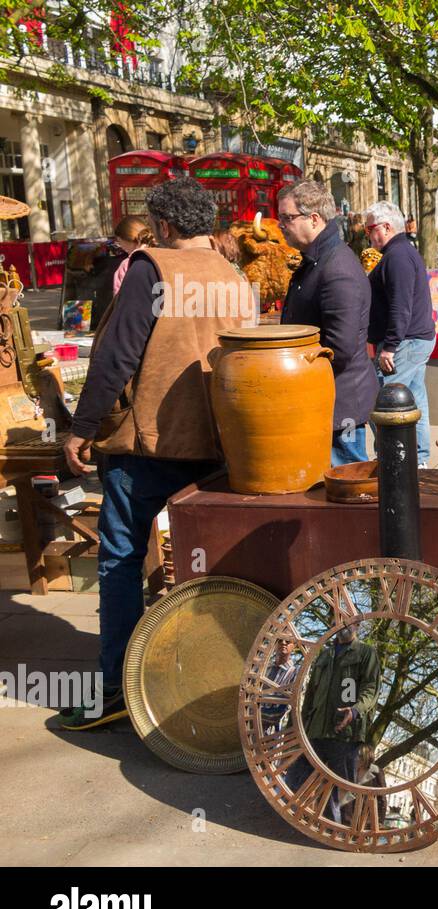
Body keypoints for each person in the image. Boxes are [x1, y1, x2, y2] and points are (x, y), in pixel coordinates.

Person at [60, 178, 251, 730]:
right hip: (218, 439)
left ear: (164, 225)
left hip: (151, 441)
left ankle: (117, 688)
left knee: (120, 558)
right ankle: (204, 682)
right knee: (204, 564)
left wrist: (81, 429)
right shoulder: (232, 273)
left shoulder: (152, 268)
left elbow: (115, 358)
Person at [279, 179, 380, 466]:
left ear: (314, 219)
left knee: (347, 485)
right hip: (324, 399)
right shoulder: (318, 260)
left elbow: (341, 348)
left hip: (340, 405)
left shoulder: (337, 268)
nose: (281, 225)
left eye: (287, 217)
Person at [364, 200, 436, 466]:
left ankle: (396, 461)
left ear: (385, 227)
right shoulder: (400, 253)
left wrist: (390, 346)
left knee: (381, 403)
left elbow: (400, 305)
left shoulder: (397, 256)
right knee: (414, 400)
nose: (368, 234)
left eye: (369, 228)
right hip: (411, 340)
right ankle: (417, 461)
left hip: (406, 342)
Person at [294, 624, 380, 824]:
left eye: (350, 620)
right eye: (340, 619)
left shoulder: (366, 653)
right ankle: (294, 825)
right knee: (296, 781)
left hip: (345, 734)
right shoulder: (325, 655)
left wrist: (356, 710)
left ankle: (340, 833)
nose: (345, 625)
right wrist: (300, 725)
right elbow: (311, 695)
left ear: (358, 625)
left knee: (342, 793)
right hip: (314, 731)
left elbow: (371, 688)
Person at [110, 215, 153, 294]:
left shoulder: (127, 264)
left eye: (119, 242)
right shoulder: (162, 256)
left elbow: (118, 299)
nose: (121, 246)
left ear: (125, 240)